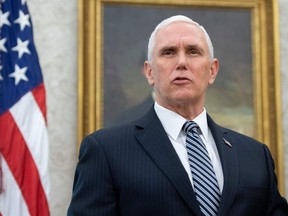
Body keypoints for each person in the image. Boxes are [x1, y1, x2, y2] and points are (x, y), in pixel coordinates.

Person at [67, 15, 288, 216]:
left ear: (212, 71)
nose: (181, 62)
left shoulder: (255, 155)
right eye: (168, 52)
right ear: (150, 72)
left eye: (193, 51)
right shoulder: (106, 150)